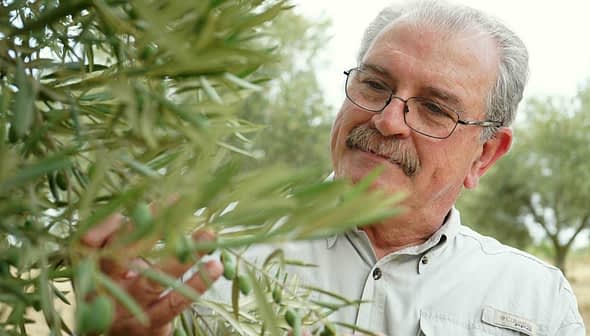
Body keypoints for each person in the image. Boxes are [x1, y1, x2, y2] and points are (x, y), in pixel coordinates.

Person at [83, 1, 586, 335]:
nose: (388, 120)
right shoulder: (213, 255)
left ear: (485, 154)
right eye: (374, 84)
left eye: (434, 108)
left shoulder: (536, 301)